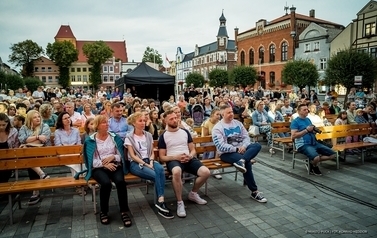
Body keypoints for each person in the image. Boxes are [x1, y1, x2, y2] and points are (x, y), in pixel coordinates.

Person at [158, 110, 210, 218]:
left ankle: (193, 193)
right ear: (166, 121)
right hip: (173, 160)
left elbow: (193, 149)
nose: (174, 120)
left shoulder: (185, 132)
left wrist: (190, 156)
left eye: (175, 117)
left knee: (206, 172)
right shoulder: (164, 136)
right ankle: (180, 202)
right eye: (171, 119)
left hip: (188, 158)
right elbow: (162, 157)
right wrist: (175, 157)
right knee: (176, 172)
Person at [82, 115, 132, 226]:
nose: (107, 124)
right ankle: (103, 211)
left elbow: (121, 156)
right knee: (105, 184)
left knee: (120, 182)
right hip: (98, 168)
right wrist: (104, 165)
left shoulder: (114, 137)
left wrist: (113, 157)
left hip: (115, 165)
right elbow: (90, 161)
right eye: (104, 123)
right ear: (97, 126)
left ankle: (124, 211)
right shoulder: (90, 140)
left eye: (107, 122)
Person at [212, 104, 267, 202]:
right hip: (226, 153)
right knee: (248, 163)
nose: (231, 114)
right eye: (228, 112)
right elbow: (220, 146)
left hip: (242, 149)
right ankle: (254, 192)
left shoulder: (238, 123)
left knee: (257, 145)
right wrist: (237, 149)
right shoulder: (217, 128)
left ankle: (242, 160)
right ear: (222, 114)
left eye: (232, 112)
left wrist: (244, 146)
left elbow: (246, 137)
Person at [124, 112, 174, 219]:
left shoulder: (148, 135)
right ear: (133, 123)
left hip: (149, 160)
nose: (143, 123)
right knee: (155, 175)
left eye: (144, 120)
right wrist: (145, 164)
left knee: (160, 169)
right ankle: (161, 202)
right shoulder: (129, 137)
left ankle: (160, 200)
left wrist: (151, 161)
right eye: (140, 121)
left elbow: (151, 152)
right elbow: (132, 156)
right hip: (136, 163)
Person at [290, 104, 336, 176]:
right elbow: (293, 136)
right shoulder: (295, 122)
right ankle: (314, 165)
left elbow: (310, 129)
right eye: (304, 110)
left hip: (314, 143)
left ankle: (311, 162)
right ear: (299, 111)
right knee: (316, 157)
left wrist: (314, 130)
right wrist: (306, 130)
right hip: (303, 144)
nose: (307, 111)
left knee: (333, 154)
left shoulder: (308, 119)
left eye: (307, 109)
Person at [18, 110, 51, 205]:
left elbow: (44, 140)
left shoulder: (44, 126)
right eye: (35, 117)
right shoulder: (24, 128)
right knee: (30, 156)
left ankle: (35, 191)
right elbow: (22, 139)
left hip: (42, 152)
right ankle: (41, 175)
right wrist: (37, 137)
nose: (38, 118)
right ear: (29, 119)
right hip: (30, 154)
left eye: (39, 117)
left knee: (28, 154)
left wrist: (28, 142)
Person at [0, 113, 20, 183]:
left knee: (5, 174)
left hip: (9, 159)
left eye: (3, 125)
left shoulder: (13, 131)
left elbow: (16, 146)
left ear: (7, 124)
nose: (1, 127)